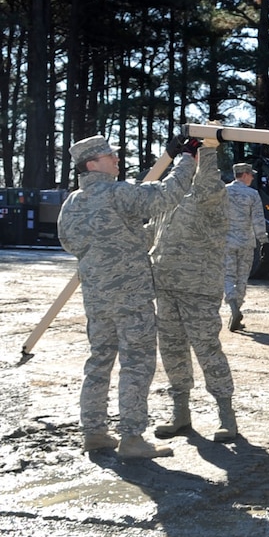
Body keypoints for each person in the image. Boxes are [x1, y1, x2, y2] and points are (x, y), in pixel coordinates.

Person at [58, 134, 197, 458]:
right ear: (92, 164)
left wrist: (111, 251)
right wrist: (187, 158)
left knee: (98, 363)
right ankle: (132, 439)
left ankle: (94, 433)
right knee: (136, 365)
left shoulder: (73, 203)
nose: (116, 159)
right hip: (131, 298)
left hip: (97, 299)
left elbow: (70, 243)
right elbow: (166, 195)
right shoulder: (118, 193)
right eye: (110, 156)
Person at [148, 139, 238, 442]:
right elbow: (154, 231)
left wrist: (206, 149)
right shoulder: (172, 196)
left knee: (207, 350)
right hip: (166, 285)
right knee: (172, 350)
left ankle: (226, 416)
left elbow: (208, 178)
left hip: (198, 288)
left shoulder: (211, 194)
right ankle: (181, 415)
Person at [224, 162, 268, 332]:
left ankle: (232, 305)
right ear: (245, 174)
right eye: (251, 174)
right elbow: (258, 219)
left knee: (227, 276)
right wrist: (263, 239)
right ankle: (238, 308)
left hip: (227, 242)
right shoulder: (252, 194)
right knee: (242, 277)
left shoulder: (224, 192)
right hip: (245, 243)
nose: (253, 177)